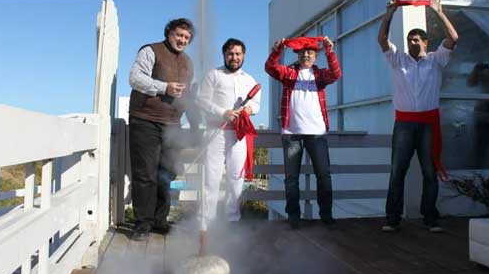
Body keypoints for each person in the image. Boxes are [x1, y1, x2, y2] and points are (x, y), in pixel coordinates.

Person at [377, 0, 458, 233]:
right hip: (404, 123)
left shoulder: (437, 60)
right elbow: (382, 39)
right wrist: (390, 14)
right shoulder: (397, 60)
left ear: (425, 42)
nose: (412, 42)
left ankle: (430, 218)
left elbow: (453, 37)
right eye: (409, 39)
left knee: (429, 172)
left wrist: (438, 12)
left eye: (416, 39)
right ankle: (392, 218)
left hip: (428, 124)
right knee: (397, 172)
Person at [128, 18, 195, 240]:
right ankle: (142, 224)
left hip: (173, 124)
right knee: (145, 173)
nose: (183, 40)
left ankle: (159, 220)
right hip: (145, 119)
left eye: (186, 37)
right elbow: (135, 78)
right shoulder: (150, 51)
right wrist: (164, 87)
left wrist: (195, 123)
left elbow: (188, 96)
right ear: (168, 34)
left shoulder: (188, 62)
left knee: (166, 173)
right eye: (179, 35)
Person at [265, 35, 342, 230]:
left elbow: (336, 74)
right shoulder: (289, 73)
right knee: (291, 179)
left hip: (317, 133)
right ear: (297, 54)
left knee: (323, 175)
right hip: (292, 133)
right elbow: (270, 68)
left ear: (316, 55)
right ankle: (294, 217)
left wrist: (330, 51)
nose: (306, 54)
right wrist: (277, 50)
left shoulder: (320, 76)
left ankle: (326, 215)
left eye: (310, 52)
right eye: (302, 52)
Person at [196, 38, 261, 234]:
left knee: (236, 178)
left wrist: (250, 109)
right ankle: (207, 222)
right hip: (215, 132)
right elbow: (201, 100)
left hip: (239, 135)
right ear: (224, 55)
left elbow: (257, 104)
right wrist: (222, 112)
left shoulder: (250, 80)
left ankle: (233, 219)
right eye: (230, 54)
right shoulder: (213, 75)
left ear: (244, 55)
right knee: (211, 177)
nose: (234, 57)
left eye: (238, 54)